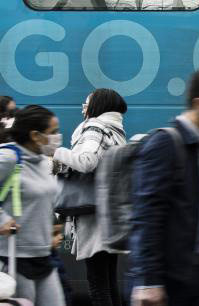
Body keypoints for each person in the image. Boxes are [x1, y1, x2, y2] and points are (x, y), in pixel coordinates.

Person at [128, 68, 199, 306]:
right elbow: (147, 215)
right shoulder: (166, 143)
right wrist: (148, 281)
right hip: (166, 279)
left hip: (197, 274)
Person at [52, 88, 128, 306]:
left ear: (98, 105)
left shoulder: (95, 127)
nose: (83, 108)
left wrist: (55, 151)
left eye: (86, 104)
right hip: (108, 212)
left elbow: (86, 161)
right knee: (109, 280)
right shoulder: (116, 130)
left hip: (91, 213)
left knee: (97, 283)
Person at [0, 105, 65, 305]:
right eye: (53, 132)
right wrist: (2, 219)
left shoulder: (44, 162)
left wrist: (53, 229)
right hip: (13, 255)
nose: (57, 137)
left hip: (43, 254)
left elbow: (44, 200)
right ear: (35, 135)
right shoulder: (9, 158)